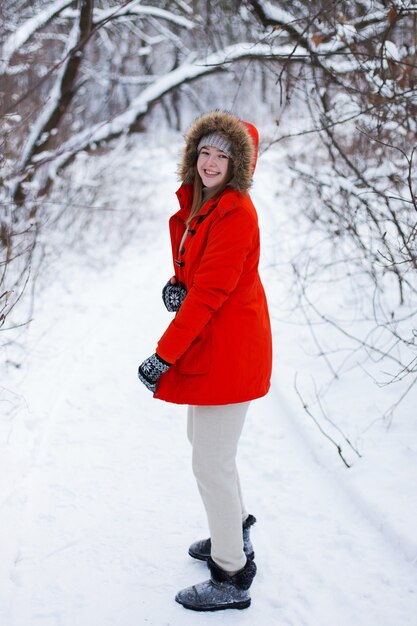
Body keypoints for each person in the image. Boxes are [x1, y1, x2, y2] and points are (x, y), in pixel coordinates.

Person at [138, 111, 272, 611]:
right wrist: (179, 284)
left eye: (223, 154)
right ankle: (233, 532)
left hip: (230, 349)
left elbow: (213, 292)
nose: (211, 161)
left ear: (238, 165)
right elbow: (203, 274)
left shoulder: (236, 210)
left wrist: (162, 356)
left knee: (210, 463)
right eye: (205, 151)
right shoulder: (207, 203)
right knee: (207, 446)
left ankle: (231, 575)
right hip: (220, 344)